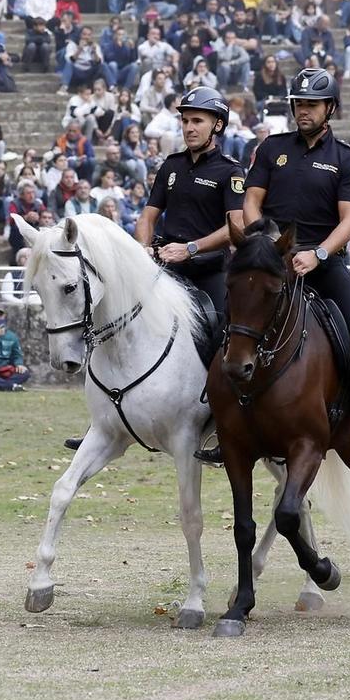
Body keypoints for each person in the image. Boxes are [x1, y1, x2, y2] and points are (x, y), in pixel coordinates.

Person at [240, 67, 350, 463]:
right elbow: (252, 199)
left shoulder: (345, 158)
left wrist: (317, 253)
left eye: (311, 105)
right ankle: (224, 418)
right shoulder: (271, 149)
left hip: (323, 261)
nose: (303, 111)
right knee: (230, 322)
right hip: (273, 260)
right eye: (298, 104)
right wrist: (263, 238)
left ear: (330, 108)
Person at [133, 86, 247, 458]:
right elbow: (148, 217)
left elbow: (236, 226)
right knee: (121, 320)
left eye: (197, 120)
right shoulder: (171, 166)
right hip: (166, 267)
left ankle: (224, 421)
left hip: (206, 271)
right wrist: (144, 248)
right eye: (184, 120)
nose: (188, 127)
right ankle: (106, 416)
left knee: (219, 333)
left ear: (217, 125)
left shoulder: (230, 172)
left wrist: (192, 248)